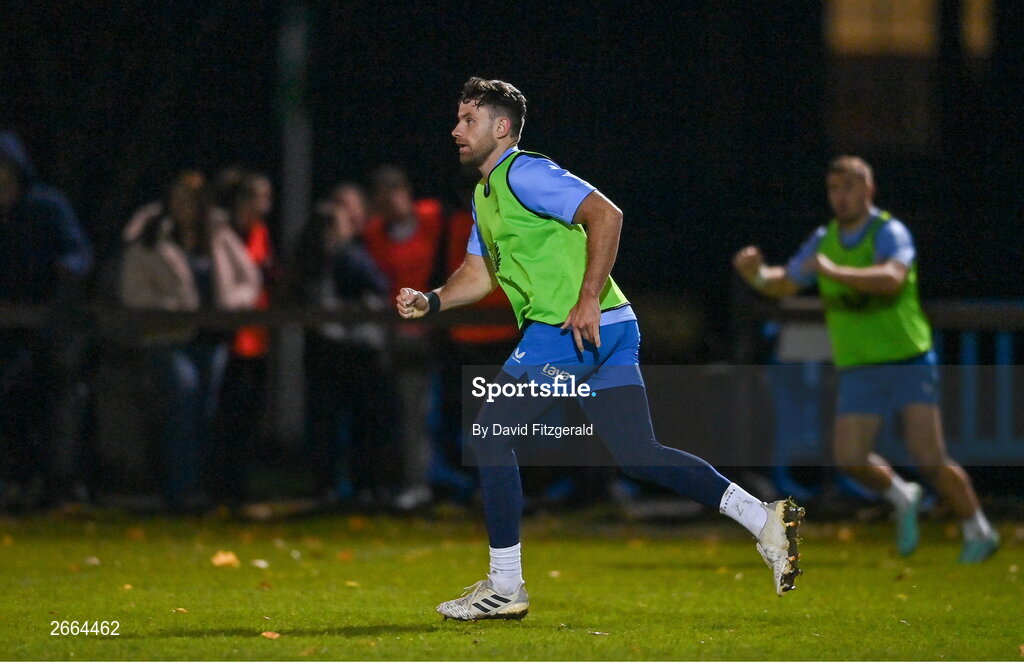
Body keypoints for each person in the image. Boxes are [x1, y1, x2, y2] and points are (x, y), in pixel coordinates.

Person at [396, 77, 804, 621]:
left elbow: (607, 214)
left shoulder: (526, 171)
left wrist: (586, 298)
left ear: (501, 127)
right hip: (609, 328)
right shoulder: (486, 194)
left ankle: (505, 586)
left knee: (492, 435)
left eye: (468, 119)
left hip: (570, 328)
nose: (456, 130)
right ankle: (765, 520)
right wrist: (431, 301)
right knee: (639, 455)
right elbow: (478, 274)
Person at [733, 155, 999, 564]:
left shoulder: (888, 231)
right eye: (834, 188)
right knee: (851, 459)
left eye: (850, 187)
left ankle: (978, 529)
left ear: (869, 190)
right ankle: (901, 495)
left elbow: (891, 279)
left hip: (908, 359)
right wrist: (754, 275)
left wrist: (834, 272)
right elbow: (783, 283)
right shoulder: (825, 239)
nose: (841, 196)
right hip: (859, 366)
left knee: (929, 458)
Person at [120, 171, 261, 510]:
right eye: (178, 199)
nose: (184, 207)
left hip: (211, 337)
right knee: (183, 399)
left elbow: (249, 278)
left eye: (191, 200)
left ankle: (202, 489)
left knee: (205, 412)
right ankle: (182, 490)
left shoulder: (218, 235)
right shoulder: (150, 237)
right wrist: (171, 309)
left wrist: (233, 304)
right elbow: (133, 291)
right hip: (167, 337)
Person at [0, 131, 94, 509]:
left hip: (47, 330)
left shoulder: (46, 206)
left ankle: (55, 484)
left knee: (55, 403)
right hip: (6, 336)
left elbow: (78, 251)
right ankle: (13, 482)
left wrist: (67, 271)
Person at [288, 199, 398, 508]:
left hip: (347, 352)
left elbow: (378, 287)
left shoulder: (343, 255)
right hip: (339, 352)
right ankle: (342, 487)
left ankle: (348, 487)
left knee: (346, 425)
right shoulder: (329, 256)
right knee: (338, 425)